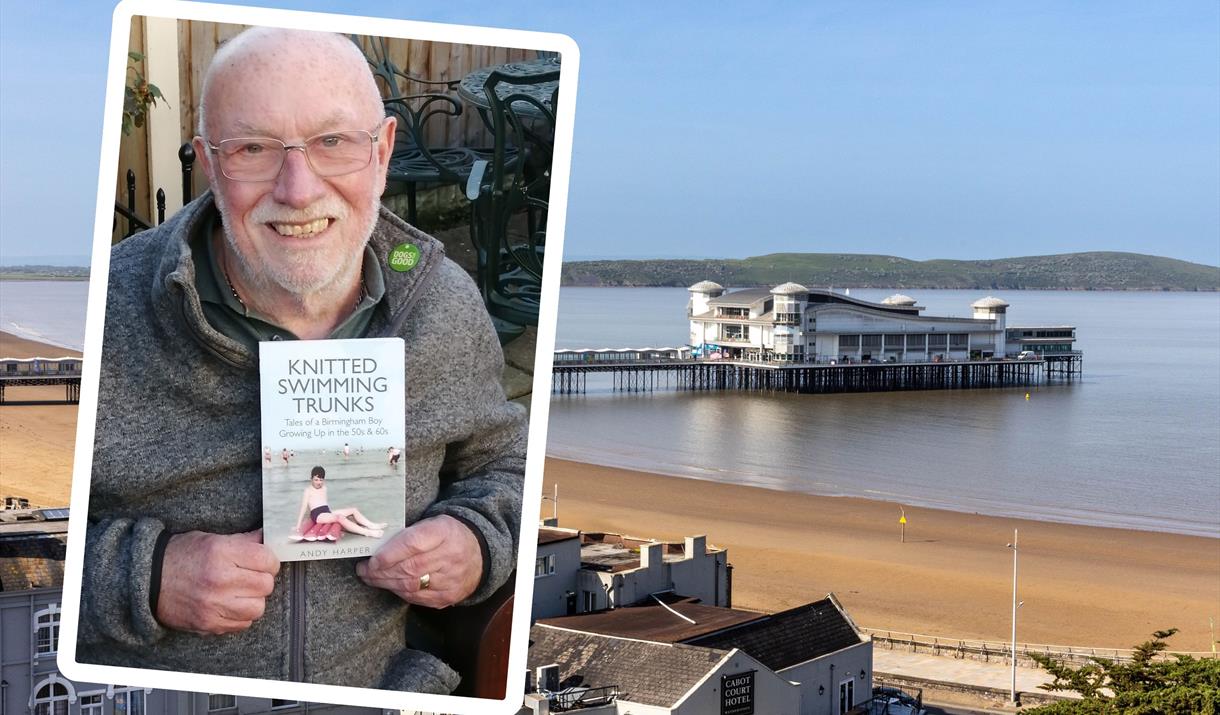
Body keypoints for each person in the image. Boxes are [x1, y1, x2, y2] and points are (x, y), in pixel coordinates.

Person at [80, 27, 526, 693]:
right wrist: (143, 575)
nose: (298, 189)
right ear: (208, 158)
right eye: (254, 148)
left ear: (382, 153)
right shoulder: (106, 310)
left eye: (333, 142)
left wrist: (475, 540)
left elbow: (504, 463)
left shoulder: (442, 303)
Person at [292, 466, 386, 539]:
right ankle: (368, 533)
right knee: (339, 517)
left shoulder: (324, 488)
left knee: (353, 510)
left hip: (326, 512)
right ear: (311, 478)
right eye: (316, 480)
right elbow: (304, 507)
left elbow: (324, 503)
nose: (318, 482)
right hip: (318, 515)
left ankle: (372, 525)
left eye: (321, 480)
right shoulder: (308, 490)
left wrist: (330, 515)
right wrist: (298, 525)